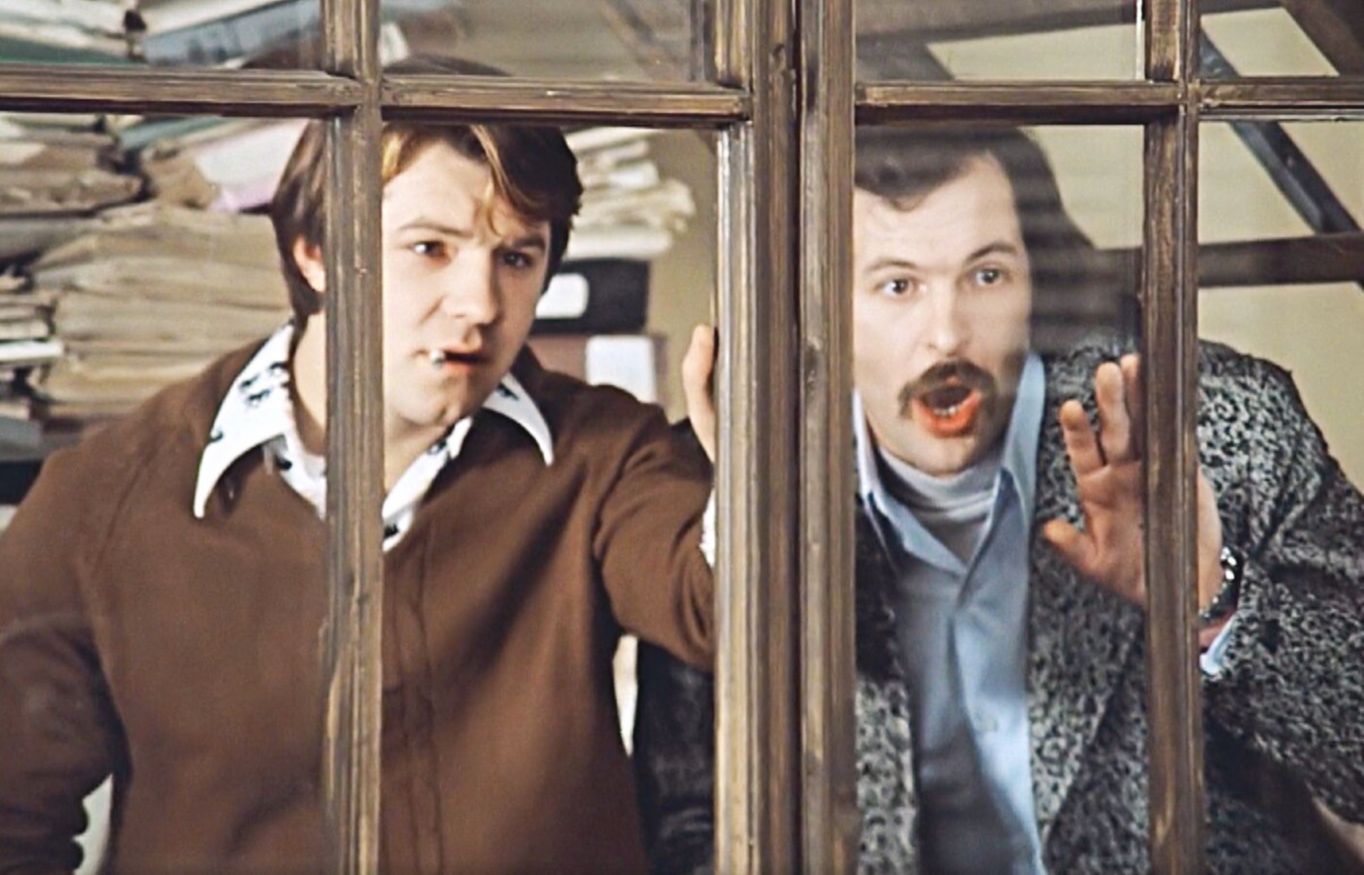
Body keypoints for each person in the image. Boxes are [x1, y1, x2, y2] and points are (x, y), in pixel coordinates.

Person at [0, 100, 720, 871]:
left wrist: (747, 449)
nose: (480, 304)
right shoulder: (104, 498)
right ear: (315, 251)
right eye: (430, 248)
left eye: (516, 258)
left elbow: (720, 607)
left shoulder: (606, 453)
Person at [632, 125, 1364, 873]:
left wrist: (1213, 601)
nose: (947, 336)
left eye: (986, 276)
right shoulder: (741, 468)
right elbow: (691, 822)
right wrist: (748, 524)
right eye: (897, 286)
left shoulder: (1215, 434)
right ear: (820, 310)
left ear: (1035, 282)